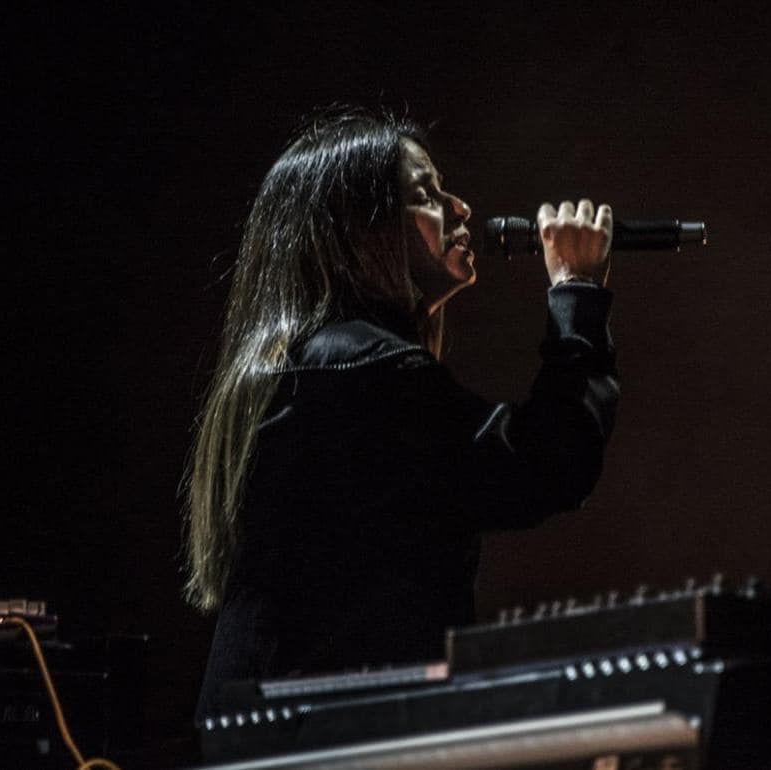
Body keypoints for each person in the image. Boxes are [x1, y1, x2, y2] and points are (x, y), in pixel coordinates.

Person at [184, 108, 618, 722]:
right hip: (319, 741)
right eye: (426, 194)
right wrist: (575, 291)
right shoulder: (362, 371)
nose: (461, 207)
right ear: (360, 233)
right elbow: (545, 464)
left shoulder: (313, 366)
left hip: (284, 729)